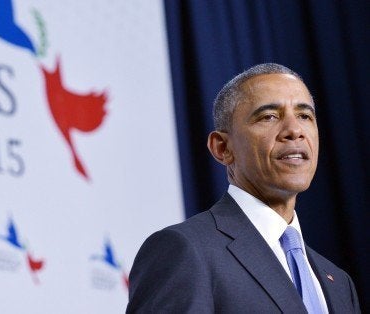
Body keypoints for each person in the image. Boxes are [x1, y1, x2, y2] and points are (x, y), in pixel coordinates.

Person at [126, 64, 361, 313]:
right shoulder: (185, 250)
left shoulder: (338, 283)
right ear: (222, 148)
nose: (294, 131)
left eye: (305, 116)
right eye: (269, 116)